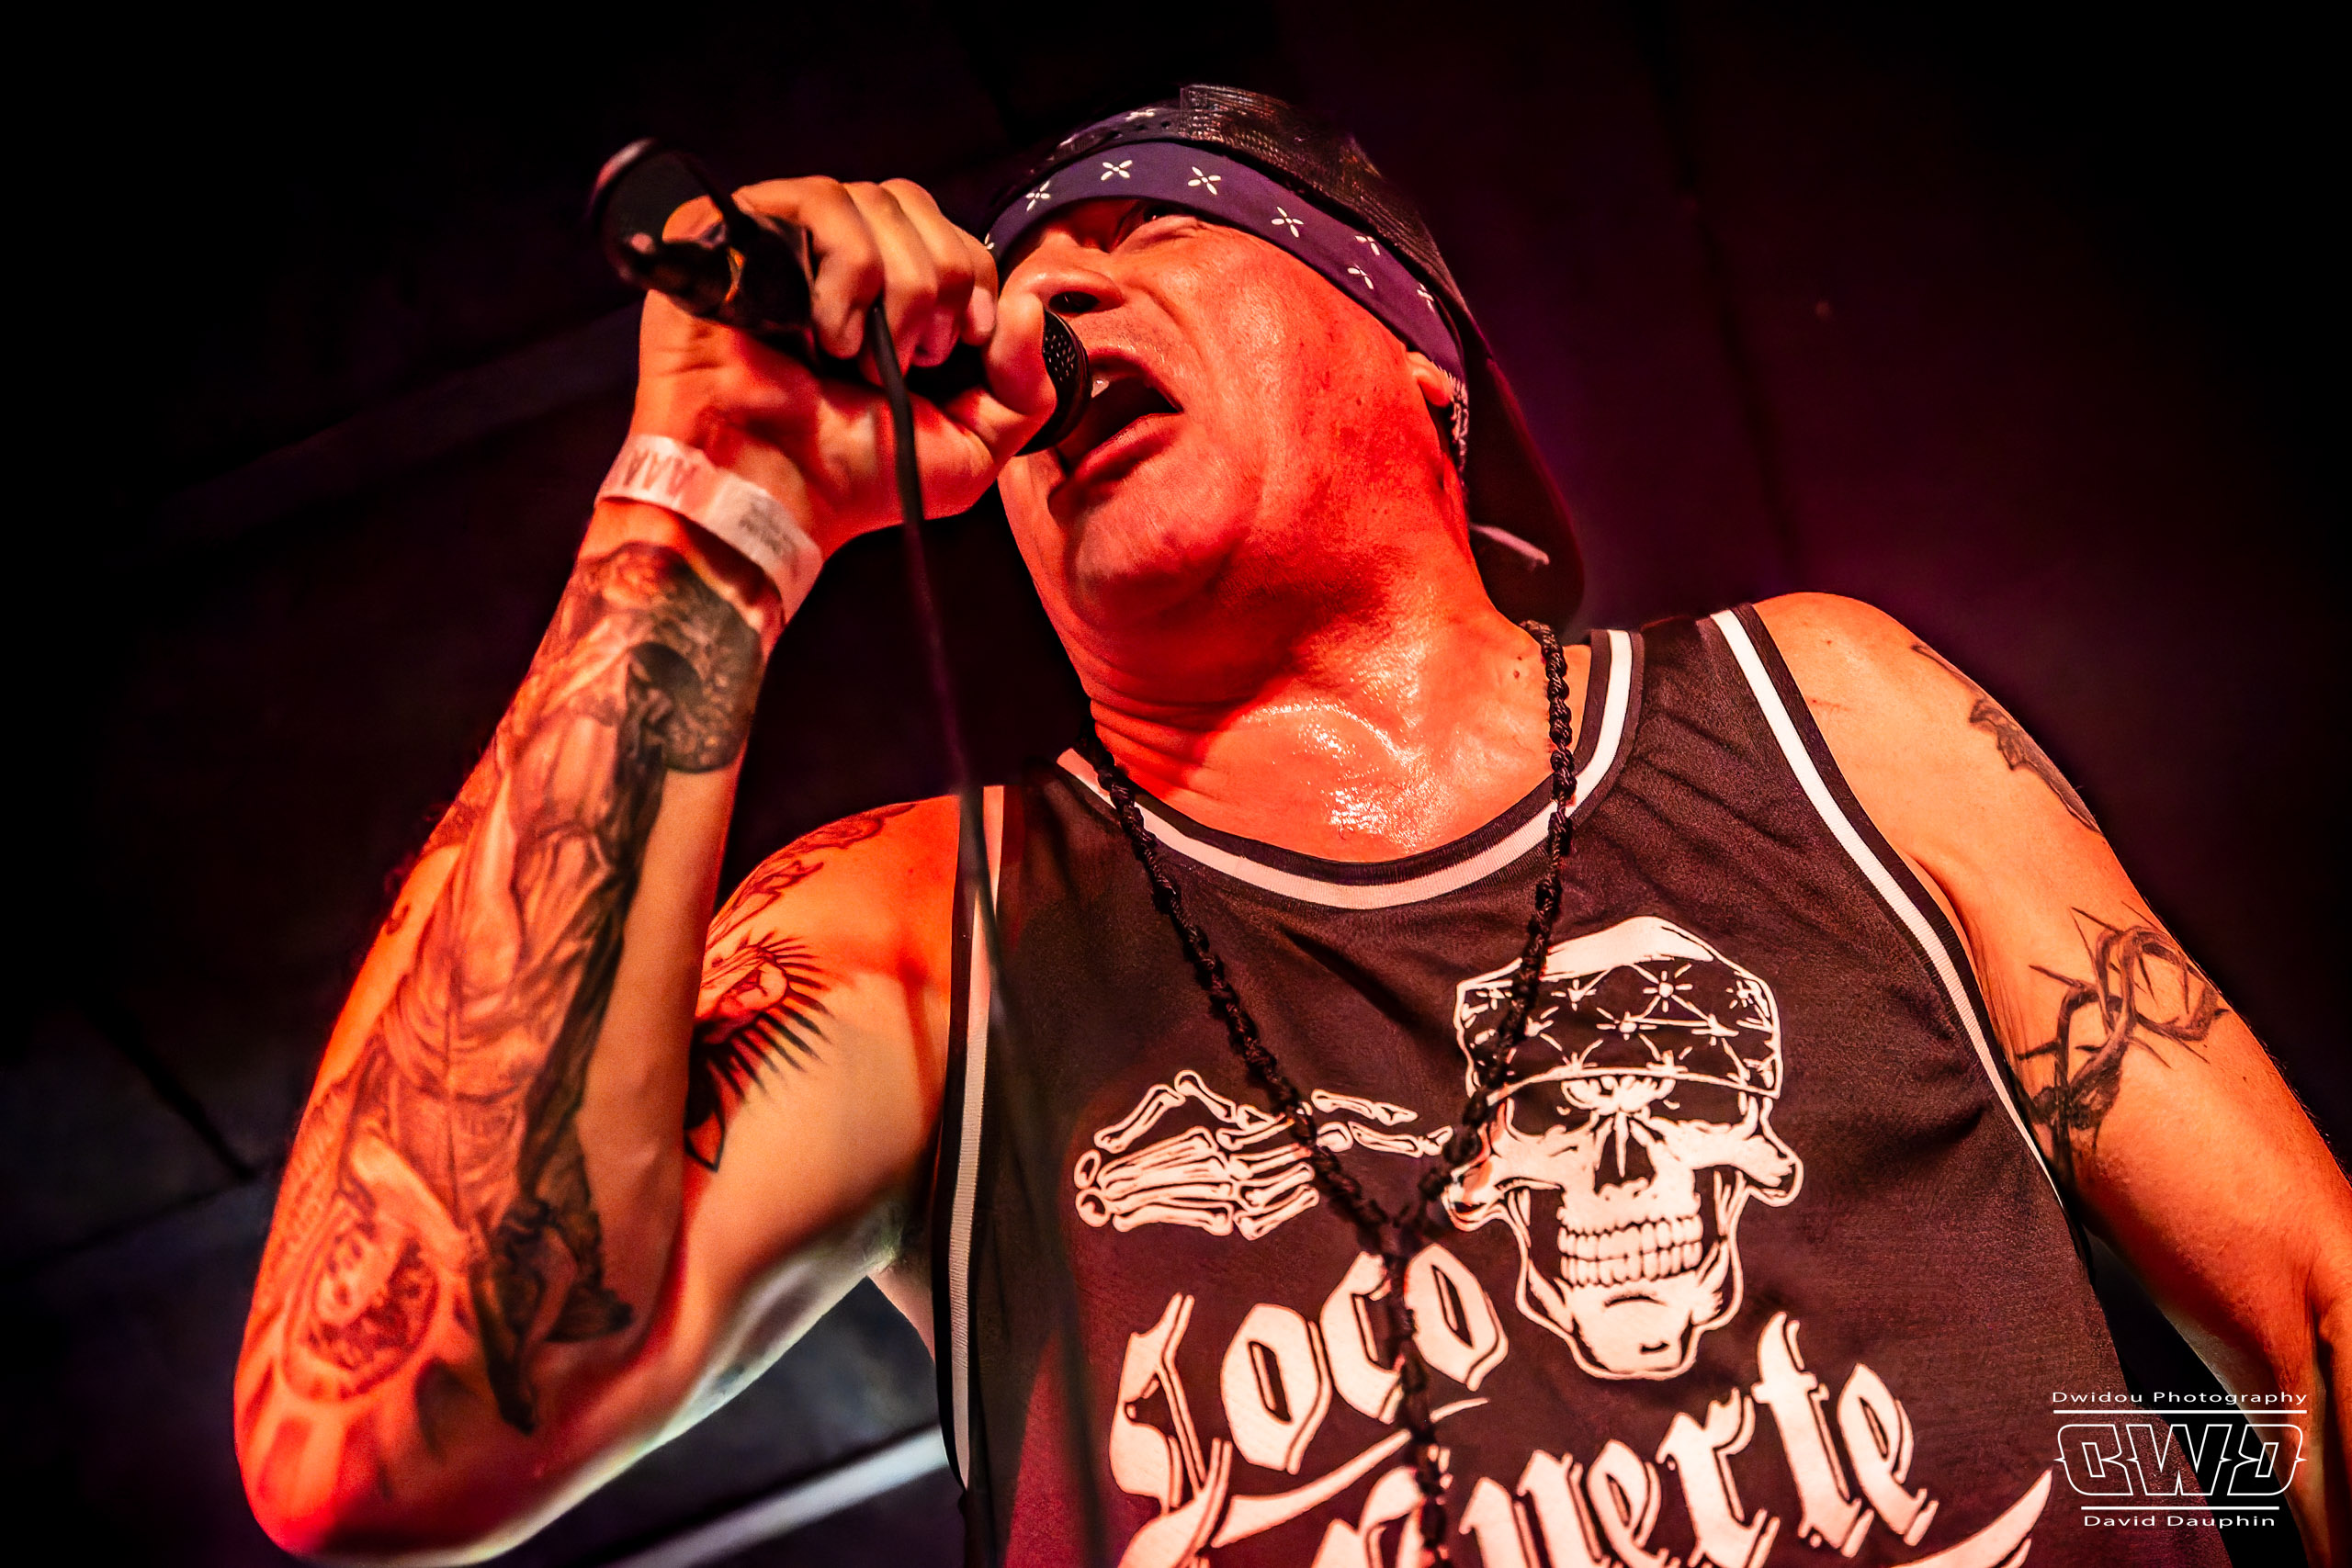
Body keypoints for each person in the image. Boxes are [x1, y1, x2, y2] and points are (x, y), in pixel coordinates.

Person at [233, 87, 2346, 1566]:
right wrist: (710, 502)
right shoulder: (936, 926)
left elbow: (2309, 1333)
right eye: (1017, 281)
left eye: (1146, 234)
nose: (1044, 312)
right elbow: (379, 1428)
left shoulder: (1819, 708)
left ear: (1421, 363)